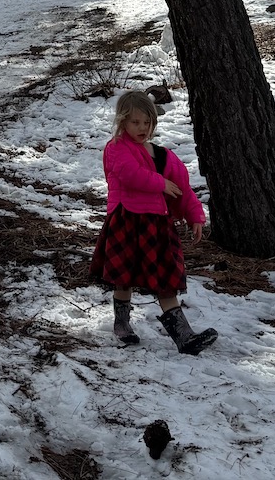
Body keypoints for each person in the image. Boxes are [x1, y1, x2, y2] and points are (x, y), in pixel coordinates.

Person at [88, 89, 217, 354]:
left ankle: (185, 337)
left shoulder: (162, 155)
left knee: (165, 280)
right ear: (122, 121)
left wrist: (195, 215)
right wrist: (160, 183)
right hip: (126, 222)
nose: (142, 128)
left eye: (147, 122)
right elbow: (128, 173)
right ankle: (122, 324)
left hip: (156, 228)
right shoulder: (116, 149)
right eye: (135, 122)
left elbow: (181, 187)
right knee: (123, 279)